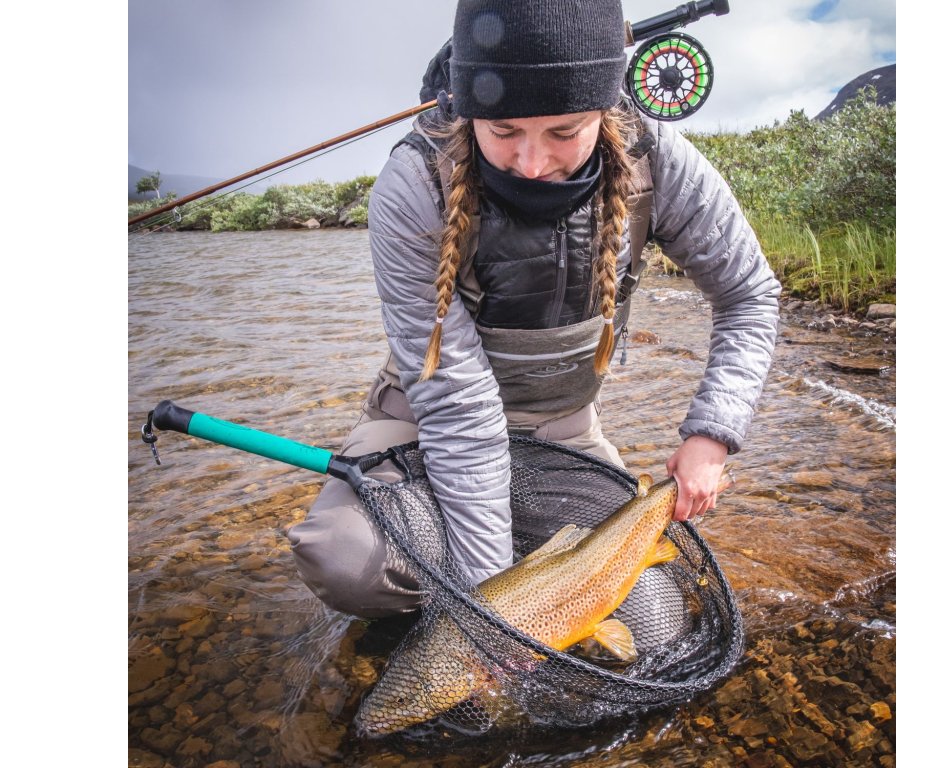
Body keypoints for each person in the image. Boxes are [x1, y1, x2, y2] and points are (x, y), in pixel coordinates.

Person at [287, 0, 780, 618]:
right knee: (347, 559)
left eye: (564, 133)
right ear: (469, 113)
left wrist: (712, 434)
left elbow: (748, 296)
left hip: (561, 431)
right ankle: (445, 585)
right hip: (424, 424)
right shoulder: (415, 185)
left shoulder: (657, 161)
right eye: (503, 132)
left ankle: (475, 567)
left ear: (606, 109)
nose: (531, 163)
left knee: (655, 620)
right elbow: (459, 412)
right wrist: (498, 612)